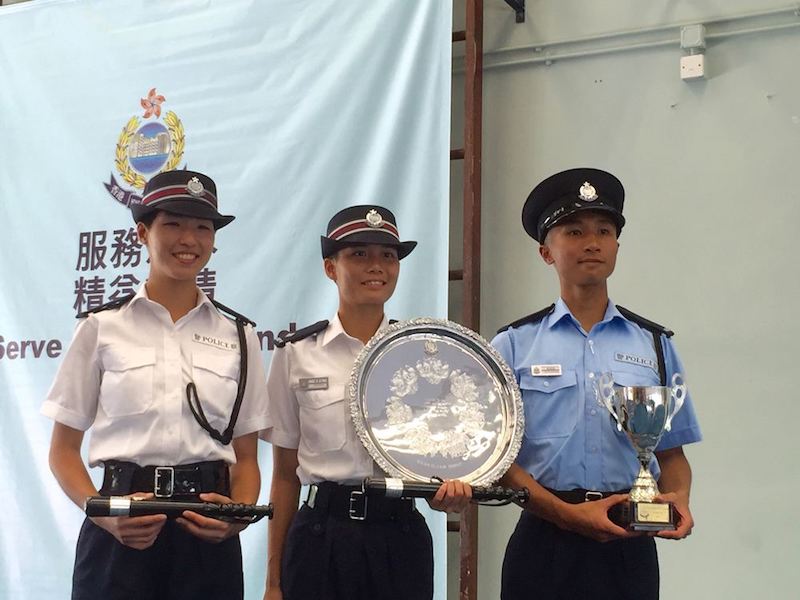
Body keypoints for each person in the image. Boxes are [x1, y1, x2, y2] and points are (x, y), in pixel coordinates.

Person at [42, 170, 269, 600]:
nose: (189, 239)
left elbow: (246, 458)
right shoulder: (100, 327)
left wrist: (236, 518)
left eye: (202, 228)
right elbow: (62, 451)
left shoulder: (240, 336)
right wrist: (102, 515)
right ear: (143, 233)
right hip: (119, 523)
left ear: (214, 241)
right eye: (174, 224)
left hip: (206, 533)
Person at [492, 168, 702, 600]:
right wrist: (565, 514)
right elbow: (498, 461)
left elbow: (671, 454)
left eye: (604, 231)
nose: (592, 242)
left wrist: (678, 498)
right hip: (544, 539)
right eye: (574, 231)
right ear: (546, 252)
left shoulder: (654, 344)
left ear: (616, 247)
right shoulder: (513, 345)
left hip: (629, 540)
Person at [261, 205, 471, 600]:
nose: (376, 266)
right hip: (321, 537)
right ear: (330, 267)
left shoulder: (423, 355)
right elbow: (285, 476)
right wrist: (272, 582)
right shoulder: (297, 354)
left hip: (400, 536)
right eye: (359, 254)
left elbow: (442, 460)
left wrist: (449, 494)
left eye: (388, 256)